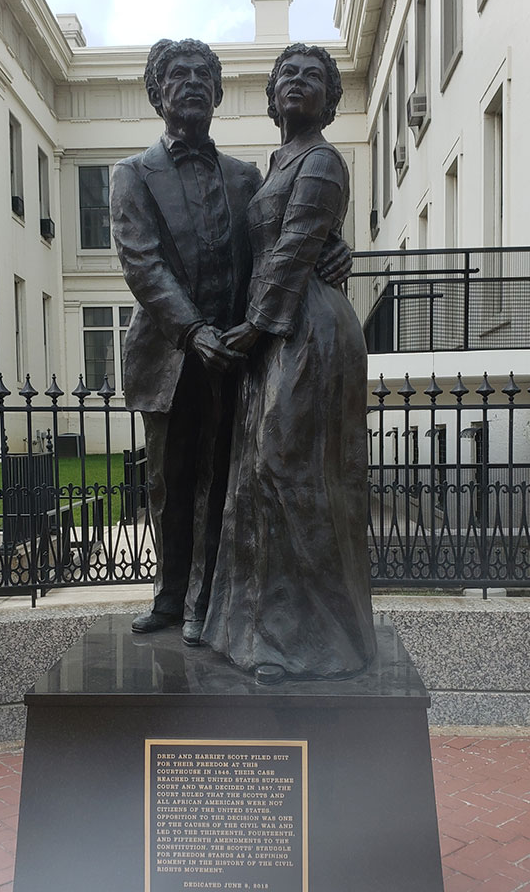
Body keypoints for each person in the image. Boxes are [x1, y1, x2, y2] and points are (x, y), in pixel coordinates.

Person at [111, 39, 350, 646]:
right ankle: (169, 597)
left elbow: (285, 235)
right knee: (169, 483)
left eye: (202, 76)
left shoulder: (250, 176)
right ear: (157, 92)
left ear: (218, 94)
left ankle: (207, 602)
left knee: (223, 483)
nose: (190, 84)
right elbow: (143, 265)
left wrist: (334, 249)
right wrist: (193, 331)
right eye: (177, 76)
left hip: (243, 356)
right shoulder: (132, 175)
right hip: (174, 351)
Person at [201, 44, 377, 681]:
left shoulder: (324, 159)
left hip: (305, 329)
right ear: (272, 96)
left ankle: (315, 641)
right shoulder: (278, 162)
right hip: (274, 330)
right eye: (288, 76)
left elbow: (299, 243)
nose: (299, 84)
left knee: (288, 470)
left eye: (313, 78)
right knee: (257, 479)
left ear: (329, 98)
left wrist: (251, 328)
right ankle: (255, 637)